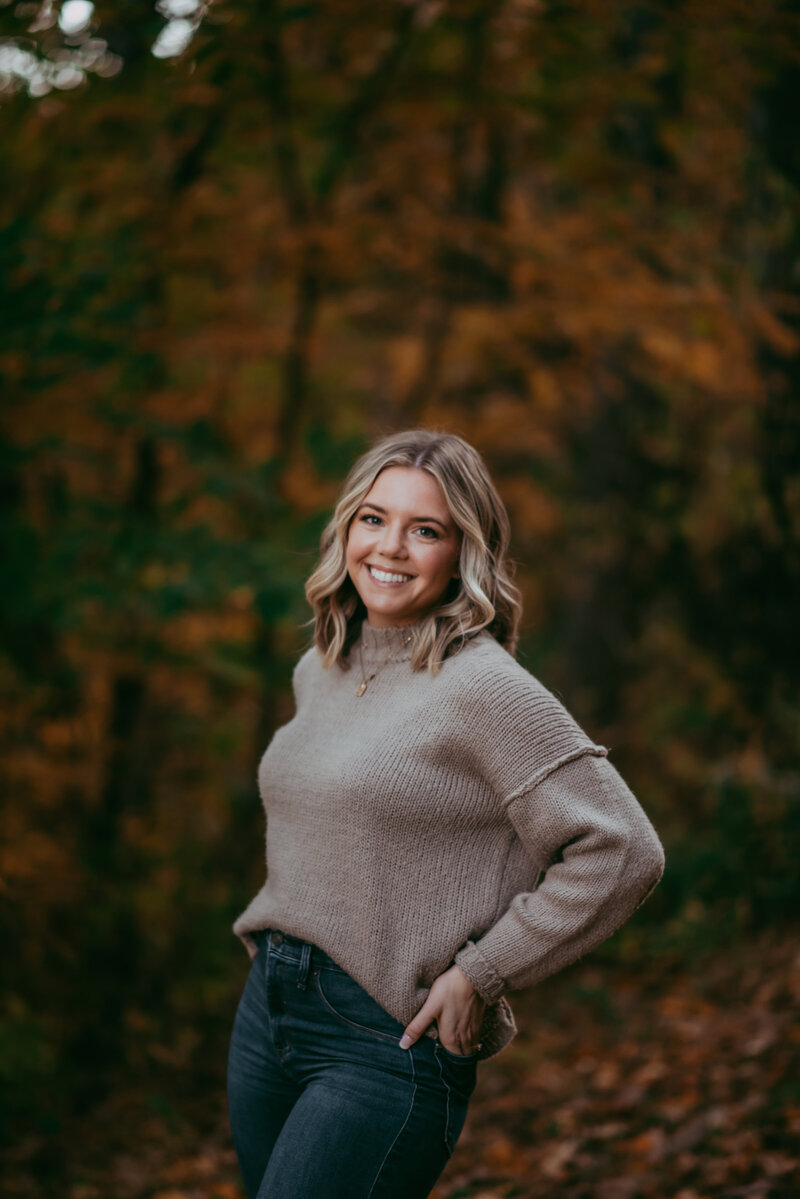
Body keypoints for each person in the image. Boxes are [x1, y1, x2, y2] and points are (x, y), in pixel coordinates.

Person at [227, 429, 665, 1199]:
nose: (390, 547)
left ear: (464, 552)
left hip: (382, 1038)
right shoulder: (323, 665)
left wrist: (483, 970)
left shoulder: (484, 687)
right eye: (374, 518)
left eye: (424, 529)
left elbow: (622, 847)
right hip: (269, 1013)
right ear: (346, 529)